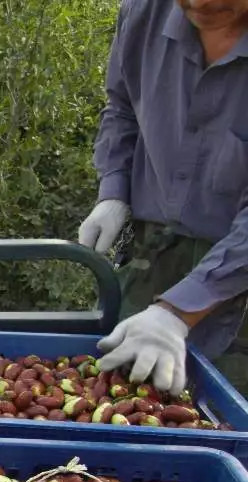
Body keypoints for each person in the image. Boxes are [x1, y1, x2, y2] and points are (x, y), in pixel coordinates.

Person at [78, 0, 248, 397]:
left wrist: (177, 311)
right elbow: (121, 107)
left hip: (239, 290)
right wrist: (114, 190)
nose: (201, 4)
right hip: (152, 257)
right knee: (124, 403)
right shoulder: (144, 13)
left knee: (221, 427)